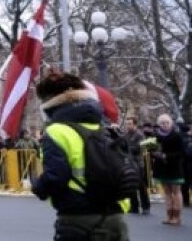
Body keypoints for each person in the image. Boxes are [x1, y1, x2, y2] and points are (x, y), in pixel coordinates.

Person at [31, 71, 129, 239]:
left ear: (50, 100)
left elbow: (56, 176)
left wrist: (38, 187)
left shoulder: (57, 131)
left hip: (79, 216)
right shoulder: (104, 125)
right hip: (115, 214)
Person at [151, 113, 185, 226]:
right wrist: (155, 154)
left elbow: (181, 152)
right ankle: (169, 215)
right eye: (162, 123)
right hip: (162, 168)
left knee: (176, 192)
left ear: (171, 123)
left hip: (174, 167)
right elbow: (152, 150)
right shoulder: (157, 136)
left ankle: (177, 216)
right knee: (166, 192)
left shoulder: (177, 135)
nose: (165, 125)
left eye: (167, 123)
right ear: (159, 125)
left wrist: (166, 156)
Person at [122, 117, 150, 214]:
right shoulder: (125, 135)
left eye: (130, 123)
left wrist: (127, 148)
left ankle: (145, 206)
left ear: (135, 124)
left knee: (141, 186)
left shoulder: (139, 135)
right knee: (131, 185)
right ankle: (134, 206)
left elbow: (139, 148)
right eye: (127, 123)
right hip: (129, 162)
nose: (128, 125)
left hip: (138, 163)